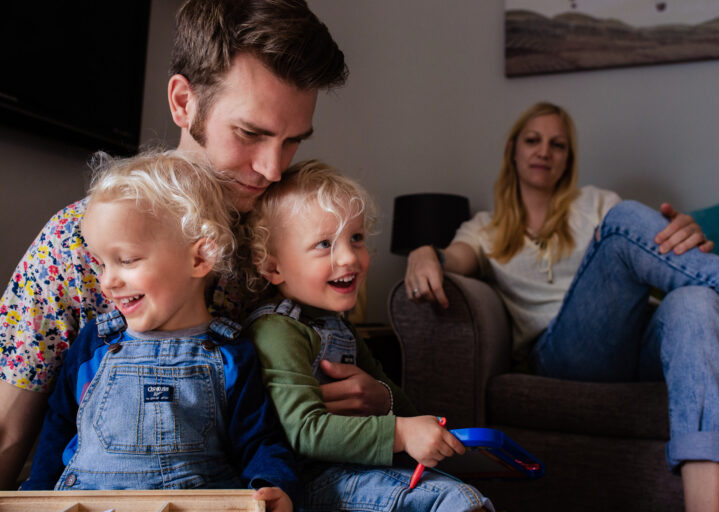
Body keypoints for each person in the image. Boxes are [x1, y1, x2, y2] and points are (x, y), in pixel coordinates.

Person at [0, 0, 388, 490]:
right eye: (250, 134)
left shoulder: (291, 238)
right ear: (184, 102)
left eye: (293, 141)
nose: (272, 169)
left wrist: (382, 403)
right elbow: (8, 432)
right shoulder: (75, 245)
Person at [404, 102, 719, 512]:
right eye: (533, 140)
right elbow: (454, 259)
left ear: (567, 160)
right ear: (513, 149)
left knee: (697, 299)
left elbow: (648, 248)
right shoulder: (485, 228)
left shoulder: (595, 203)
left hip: (640, 336)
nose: (544, 151)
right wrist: (424, 252)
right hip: (565, 351)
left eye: (557, 145)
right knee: (628, 216)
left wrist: (685, 242)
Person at [19, 151, 298, 511]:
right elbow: (58, 429)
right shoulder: (95, 343)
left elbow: (260, 440)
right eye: (102, 263)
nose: (108, 281)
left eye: (127, 260)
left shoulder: (231, 354)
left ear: (199, 259)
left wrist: (275, 485)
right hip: (87, 502)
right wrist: (35, 495)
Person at [242, 160, 494, 511]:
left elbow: (402, 406)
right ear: (273, 267)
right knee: (454, 502)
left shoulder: (338, 326)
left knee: (460, 493)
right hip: (310, 480)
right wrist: (403, 433)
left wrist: (387, 403)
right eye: (324, 244)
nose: (349, 257)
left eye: (356, 238)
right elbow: (303, 432)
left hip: (361, 469)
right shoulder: (277, 329)